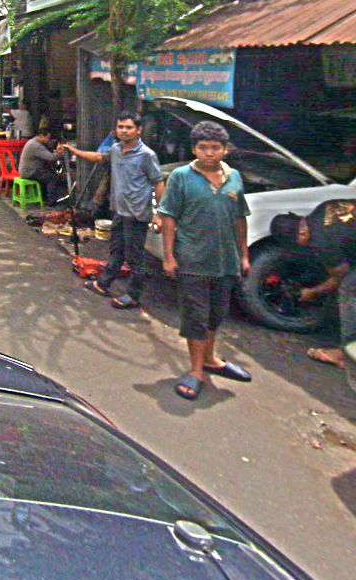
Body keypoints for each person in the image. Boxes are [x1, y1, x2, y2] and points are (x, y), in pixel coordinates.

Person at [158, 121, 251, 400]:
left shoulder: (234, 177)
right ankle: (196, 370)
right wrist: (169, 257)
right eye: (203, 147)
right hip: (192, 260)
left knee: (216, 314)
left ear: (225, 150)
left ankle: (210, 359)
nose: (209, 153)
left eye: (215, 147)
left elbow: (240, 217)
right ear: (194, 149)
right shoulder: (181, 177)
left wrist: (244, 254)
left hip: (225, 260)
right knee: (196, 316)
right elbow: (169, 217)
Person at [64, 111, 164, 310]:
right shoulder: (116, 149)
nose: (124, 131)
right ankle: (103, 283)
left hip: (137, 214)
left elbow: (158, 182)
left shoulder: (147, 155)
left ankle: (134, 295)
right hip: (119, 210)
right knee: (116, 250)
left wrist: (160, 214)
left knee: (135, 257)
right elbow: (99, 157)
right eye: (121, 127)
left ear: (138, 130)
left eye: (129, 127)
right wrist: (74, 151)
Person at [270, 201, 356, 372]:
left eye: (297, 243)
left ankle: (346, 355)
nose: (302, 246)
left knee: (349, 289)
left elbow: (340, 276)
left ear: (302, 232)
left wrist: (312, 292)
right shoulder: (323, 208)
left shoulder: (323, 241)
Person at [18, 128, 66, 205]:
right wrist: (60, 153)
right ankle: (51, 201)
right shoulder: (36, 145)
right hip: (30, 171)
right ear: (41, 136)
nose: (48, 140)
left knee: (49, 172)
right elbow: (51, 157)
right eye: (48, 137)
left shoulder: (33, 142)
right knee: (52, 178)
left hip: (28, 170)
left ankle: (45, 197)